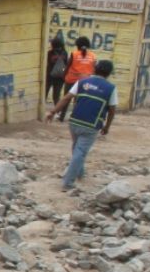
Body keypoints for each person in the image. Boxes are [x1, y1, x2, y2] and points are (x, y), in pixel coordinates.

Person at [50, 57, 119, 191]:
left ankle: (80, 173)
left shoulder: (82, 82)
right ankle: (68, 183)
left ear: (94, 69)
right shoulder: (110, 88)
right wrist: (107, 127)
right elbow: (112, 110)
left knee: (77, 149)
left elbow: (66, 98)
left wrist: (53, 112)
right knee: (80, 152)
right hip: (91, 125)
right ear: (109, 73)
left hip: (74, 121)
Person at [46, 37, 70, 104]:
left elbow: (47, 63)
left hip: (49, 76)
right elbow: (66, 64)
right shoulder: (65, 53)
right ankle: (57, 112)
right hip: (60, 77)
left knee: (44, 94)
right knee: (56, 97)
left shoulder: (49, 53)